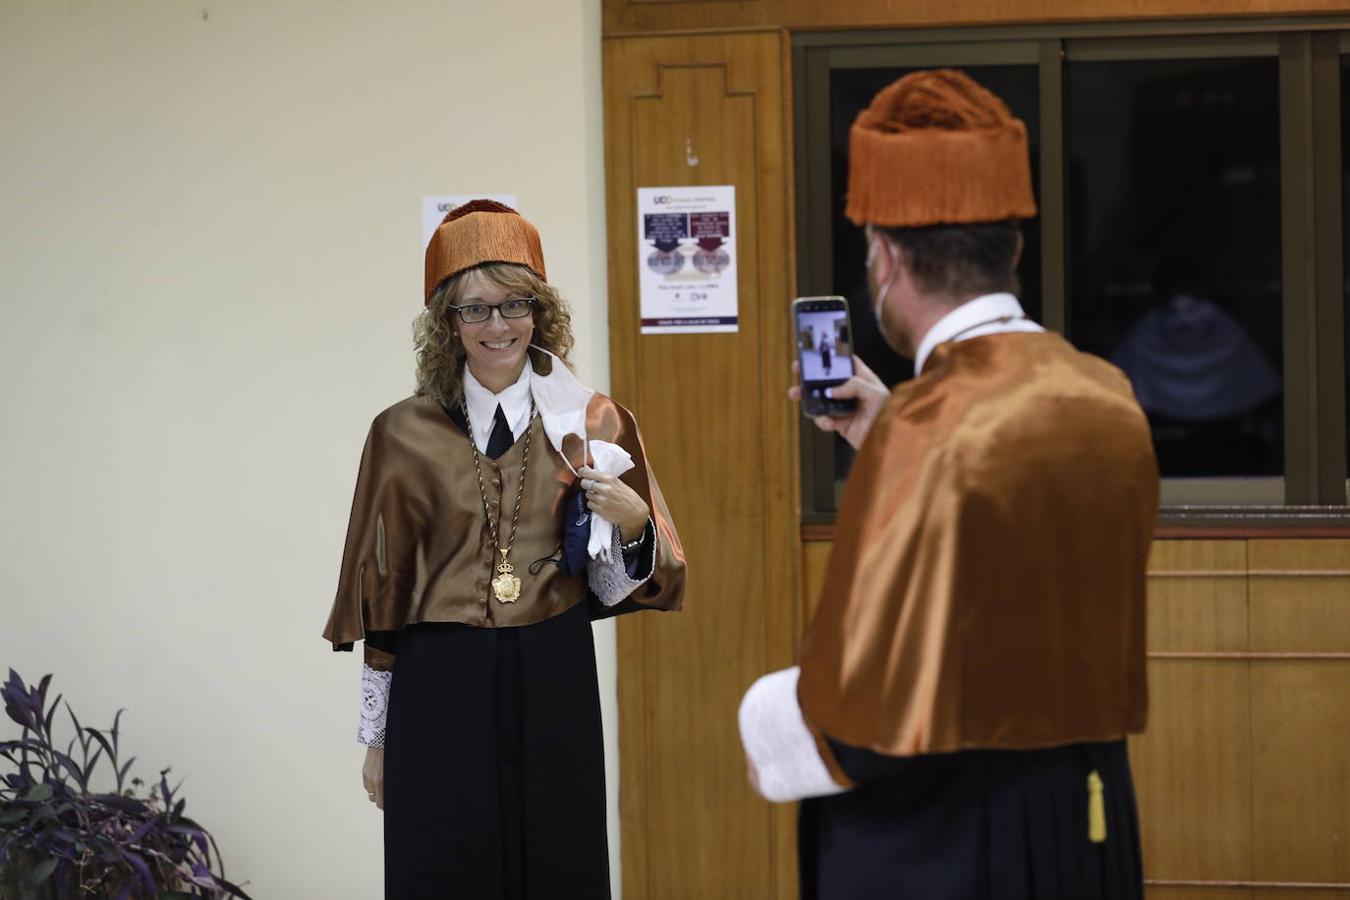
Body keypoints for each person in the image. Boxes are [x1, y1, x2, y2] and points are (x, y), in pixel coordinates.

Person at [737, 70, 1159, 899]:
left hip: (947, 838)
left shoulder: (927, 431)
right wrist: (886, 425)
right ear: (1014, 248)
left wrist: (759, 719)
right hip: (1083, 810)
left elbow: (860, 711)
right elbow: (1011, 563)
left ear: (885, 259)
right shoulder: (1106, 393)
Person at [323, 200, 686, 899]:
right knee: (442, 870)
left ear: (540, 312)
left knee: (559, 866)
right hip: (438, 681)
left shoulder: (594, 420)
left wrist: (638, 525)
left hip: (554, 669)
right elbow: (383, 593)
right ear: (447, 324)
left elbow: (621, 582)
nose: (498, 327)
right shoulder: (401, 433)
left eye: (514, 306)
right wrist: (378, 742)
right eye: (475, 310)